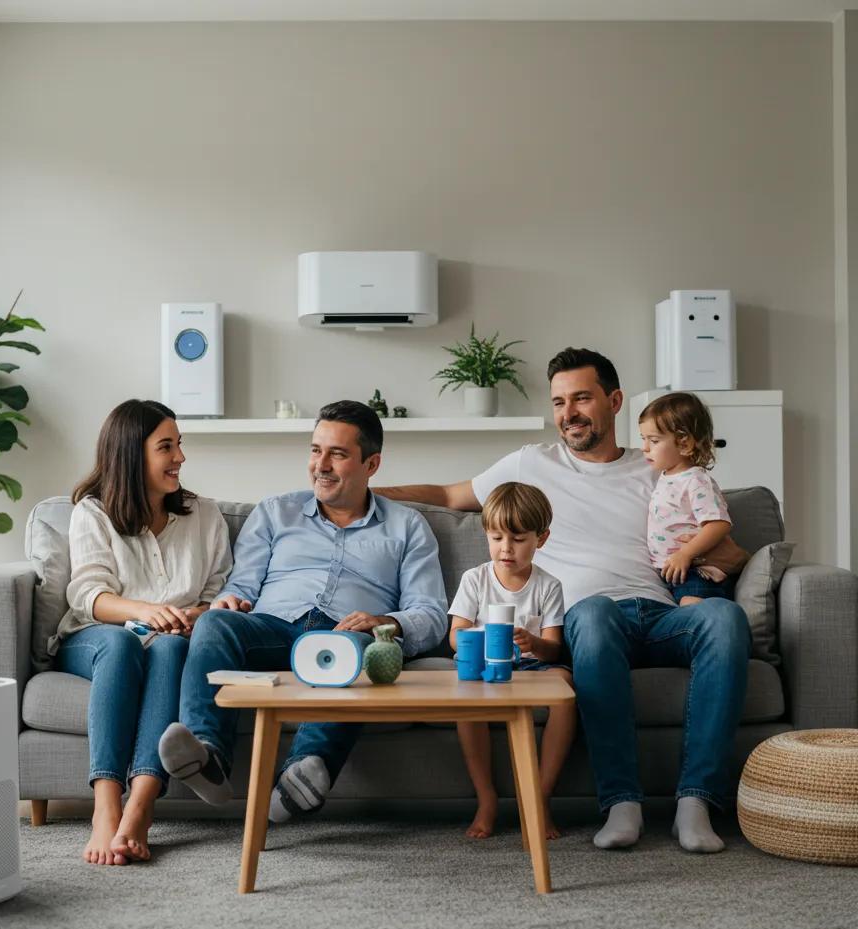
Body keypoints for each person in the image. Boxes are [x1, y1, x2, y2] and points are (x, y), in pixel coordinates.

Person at [377, 348, 750, 854]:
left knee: (725, 617)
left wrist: (708, 552)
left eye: (581, 398)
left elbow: (726, 547)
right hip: (592, 623)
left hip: (663, 616)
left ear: (614, 401)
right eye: (558, 401)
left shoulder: (661, 466)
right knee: (593, 610)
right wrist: (363, 491)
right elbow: (447, 495)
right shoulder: (533, 463)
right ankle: (622, 803)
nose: (568, 413)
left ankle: (696, 802)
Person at [157, 400, 448, 821]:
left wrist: (385, 621)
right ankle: (209, 758)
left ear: (372, 463)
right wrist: (230, 601)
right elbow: (241, 585)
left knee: (354, 647)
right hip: (273, 627)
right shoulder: (275, 512)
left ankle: (303, 772)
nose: (321, 465)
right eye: (316, 450)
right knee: (217, 622)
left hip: (347, 638)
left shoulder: (408, 527)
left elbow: (431, 613)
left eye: (338, 454)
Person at [52, 399, 231, 865]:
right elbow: (89, 596)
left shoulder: (205, 516)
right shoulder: (92, 513)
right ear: (132, 454)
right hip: (96, 637)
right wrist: (148, 611)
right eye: (166, 447)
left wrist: (195, 614)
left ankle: (141, 805)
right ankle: (106, 807)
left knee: (172, 649)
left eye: (179, 445)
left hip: (169, 640)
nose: (180, 458)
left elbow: (219, 592)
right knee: (118, 644)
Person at [448, 481, 576, 840]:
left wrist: (532, 641)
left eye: (518, 540)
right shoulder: (475, 580)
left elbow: (553, 648)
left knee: (566, 688)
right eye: (497, 538)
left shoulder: (548, 586)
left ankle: (538, 797)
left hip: (532, 667)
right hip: (487, 666)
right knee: (463, 700)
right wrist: (481, 637)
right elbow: (454, 636)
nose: (506, 549)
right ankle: (486, 798)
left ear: (541, 538)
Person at [638, 391, 735, 605]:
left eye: (653, 440)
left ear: (684, 444)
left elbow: (718, 524)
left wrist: (686, 554)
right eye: (643, 439)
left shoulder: (696, 480)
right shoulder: (664, 477)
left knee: (694, 613)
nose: (644, 447)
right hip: (668, 574)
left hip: (695, 572)